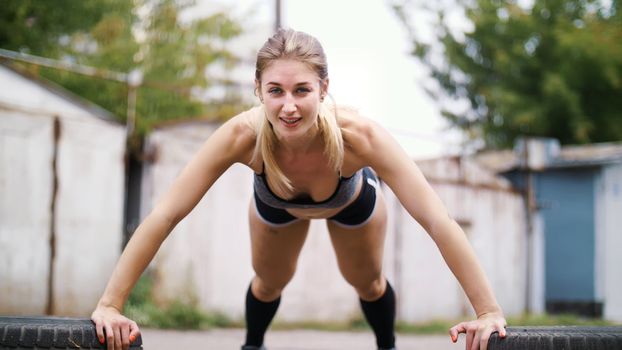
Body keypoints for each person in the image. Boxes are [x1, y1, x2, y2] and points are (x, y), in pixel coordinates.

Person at [91, 28, 507, 350]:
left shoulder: (359, 137)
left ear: (323, 89)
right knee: (269, 282)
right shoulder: (242, 136)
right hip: (277, 204)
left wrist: (487, 311)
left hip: (350, 200)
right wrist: (110, 304)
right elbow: (166, 214)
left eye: (302, 90)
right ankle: (253, 344)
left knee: (368, 283)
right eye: (275, 91)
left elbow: (437, 219)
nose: (289, 107)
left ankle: (387, 344)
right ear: (258, 90)